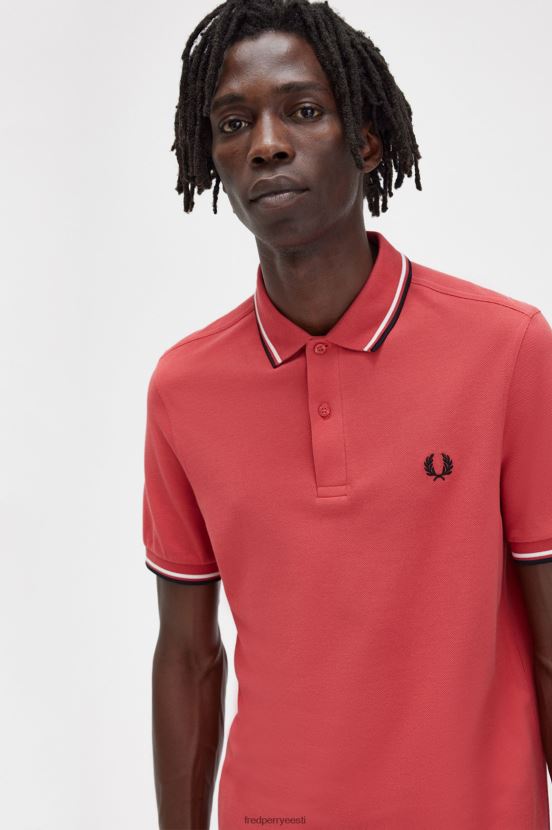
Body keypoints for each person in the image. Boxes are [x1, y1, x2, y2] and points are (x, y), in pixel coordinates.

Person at [142, 1, 552, 827]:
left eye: (302, 110)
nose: (265, 144)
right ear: (209, 157)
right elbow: (187, 659)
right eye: (233, 123)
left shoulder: (507, 350)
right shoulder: (184, 389)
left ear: (366, 141)